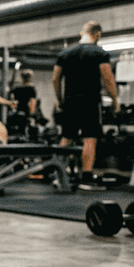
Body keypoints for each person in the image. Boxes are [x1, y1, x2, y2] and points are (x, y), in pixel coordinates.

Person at [52, 21, 119, 191]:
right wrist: (115, 100)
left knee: (67, 137)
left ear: (82, 33)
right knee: (90, 138)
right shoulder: (100, 53)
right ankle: (86, 178)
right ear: (97, 34)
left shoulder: (65, 53)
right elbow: (108, 78)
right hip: (90, 101)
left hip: (70, 101)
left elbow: (55, 78)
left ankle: (58, 175)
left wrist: (59, 98)